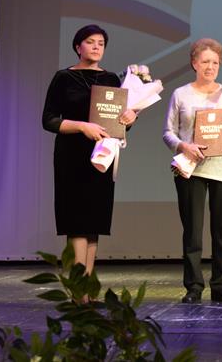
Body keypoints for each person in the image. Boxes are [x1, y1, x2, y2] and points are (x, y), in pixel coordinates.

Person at [41, 24, 137, 278]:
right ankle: (78, 288)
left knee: (94, 222)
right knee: (76, 223)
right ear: (78, 47)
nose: (96, 47)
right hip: (71, 156)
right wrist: (82, 126)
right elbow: (48, 120)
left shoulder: (111, 79)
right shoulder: (63, 77)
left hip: (102, 156)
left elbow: (117, 124)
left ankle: (88, 286)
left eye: (101, 43)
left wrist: (130, 118)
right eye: (90, 42)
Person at [163, 38, 222, 304]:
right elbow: (168, 132)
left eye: (215, 62)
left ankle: (221, 285)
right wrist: (183, 146)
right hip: (191, 167)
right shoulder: (180, 94)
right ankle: (194, 286)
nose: (210, 67)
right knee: (192, 230)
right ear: (194, 63)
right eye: (205, 61)